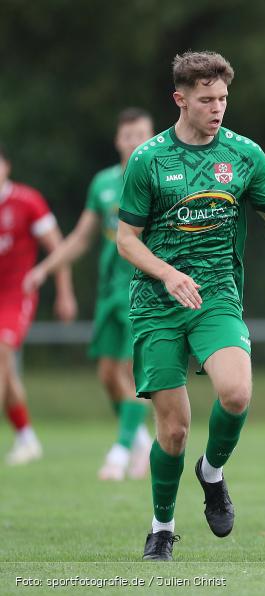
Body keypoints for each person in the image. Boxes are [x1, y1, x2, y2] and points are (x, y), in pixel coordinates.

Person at [116, 51, 265, 561]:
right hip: (156, 304)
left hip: (217, 297)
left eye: (223, 98)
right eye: (206, 100)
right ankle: (162, 528)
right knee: (175, 430)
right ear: (180, 99)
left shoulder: (245, 155)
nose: (218, 108)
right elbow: (126, 240)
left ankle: (213, 471)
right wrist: (167, 273)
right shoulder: (148, 160)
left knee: (235, 393)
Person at [25, 108, 156, 481]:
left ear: (152, 137)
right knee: (106, 374)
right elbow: (81, 238)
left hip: (144, 291)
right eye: (128, 135)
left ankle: (119, 452)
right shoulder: (103, 184)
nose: (134, 142)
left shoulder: (161, 180)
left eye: (141, 134)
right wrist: (44, 269)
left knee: (131, 373)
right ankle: (141, 443)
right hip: (109, 291)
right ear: (118, 140)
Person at [0, 143, 76, 464]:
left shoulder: (27, 201)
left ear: (6, 166)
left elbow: (57, 247)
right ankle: (27, 437)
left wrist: (64, 291)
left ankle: (26, 438)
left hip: (17, 295)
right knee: (6, 370)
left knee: (1, 352)